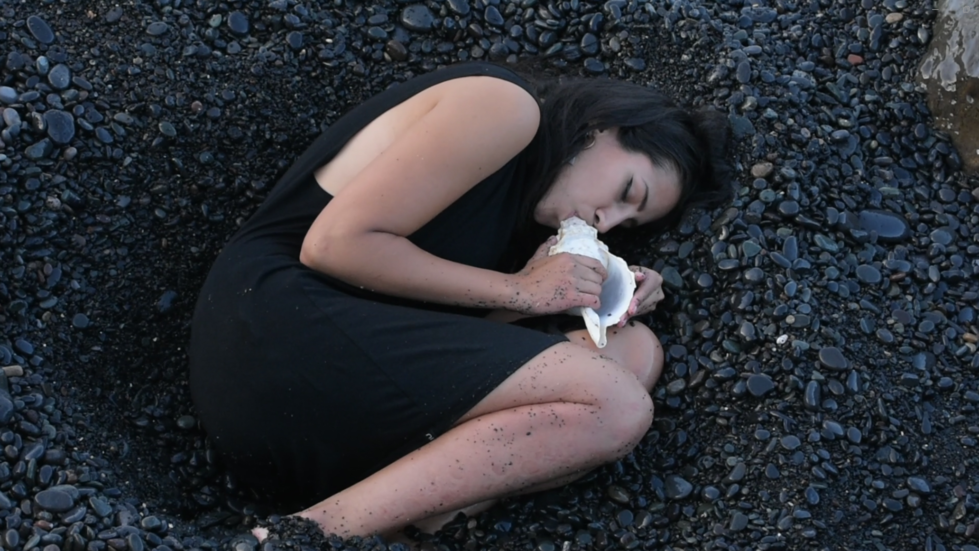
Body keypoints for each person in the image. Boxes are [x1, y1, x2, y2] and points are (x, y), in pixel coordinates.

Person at [188, 59, 732, 542]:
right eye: (626, 192)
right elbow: (332, 246)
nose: (606, 221)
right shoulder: (504, 107)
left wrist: (597, 294)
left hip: (346, 405)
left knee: (632, 352)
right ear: (598, 129)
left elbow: (447, 337)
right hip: (272, 334)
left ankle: (413, 525)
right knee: (615, 404)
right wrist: (523, 289)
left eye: (628, 223)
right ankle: (302, 537)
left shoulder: (526, 215)